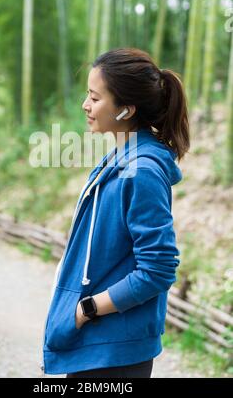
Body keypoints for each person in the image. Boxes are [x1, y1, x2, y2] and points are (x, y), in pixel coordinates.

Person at [41, 47, 190, 378]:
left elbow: (158, 269)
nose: (85, 106)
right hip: (98, 346)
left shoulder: (143, 170)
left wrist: (86, 310)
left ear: (126, 110)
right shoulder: (118, 159)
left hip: (114, 356)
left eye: (95, 98)